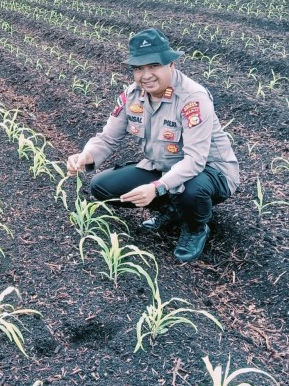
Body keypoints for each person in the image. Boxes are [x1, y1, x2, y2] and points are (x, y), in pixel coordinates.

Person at [67, 28, 239, 262]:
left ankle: (195, 228)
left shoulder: (192, 98)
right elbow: (108, 138)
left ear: (171, 65)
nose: (145, 75)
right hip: (162, 166)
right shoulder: (131, 95)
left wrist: (156, 188)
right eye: (138, 68)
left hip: (209, 173)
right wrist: (85, 156)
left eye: (153, 66)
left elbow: (195, 161)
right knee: (101, 187)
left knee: (192, 190)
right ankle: (172, 211)